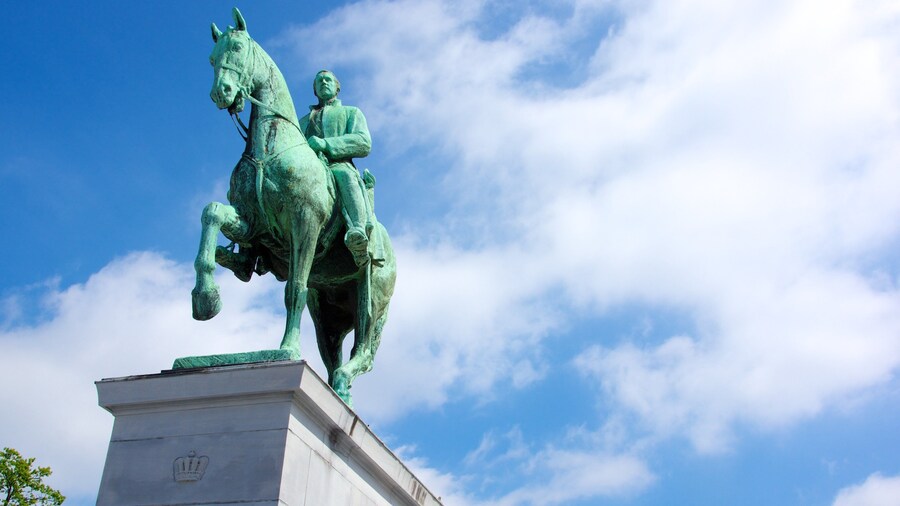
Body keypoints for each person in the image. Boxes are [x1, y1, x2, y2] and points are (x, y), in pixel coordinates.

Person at [300, 70, 372, 267]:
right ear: (314, 89)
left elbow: (363, 142)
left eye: (327, 79)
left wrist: (326, 144)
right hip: (306, 172)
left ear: (337, 87)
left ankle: (357, 234)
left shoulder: (351, 112)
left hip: (337, 165)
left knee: (344, 175)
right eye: (319, 81)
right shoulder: (302, 122)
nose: (323, 82)